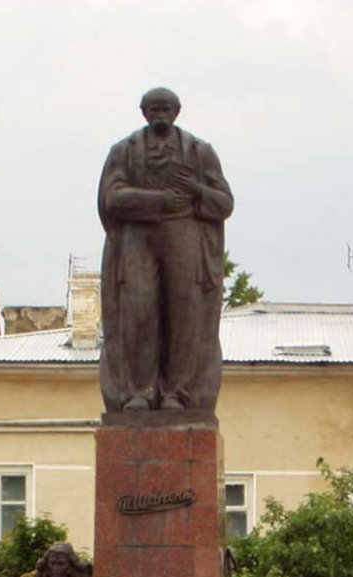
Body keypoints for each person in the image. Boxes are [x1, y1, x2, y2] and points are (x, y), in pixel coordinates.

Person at [98, 87, 234, 413]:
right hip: (137, 237)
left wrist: (195, 189)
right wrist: (157, 201)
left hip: (184, 234)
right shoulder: (123, 151)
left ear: (177, 112)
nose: (160, 115)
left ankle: (178, 393)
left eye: (166, 109)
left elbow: (224, 203)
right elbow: (111, 199)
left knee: (185, 314)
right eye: (154, 109)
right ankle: (138, 393)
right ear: (143, 112)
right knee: (138, 312)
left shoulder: (200, 152)